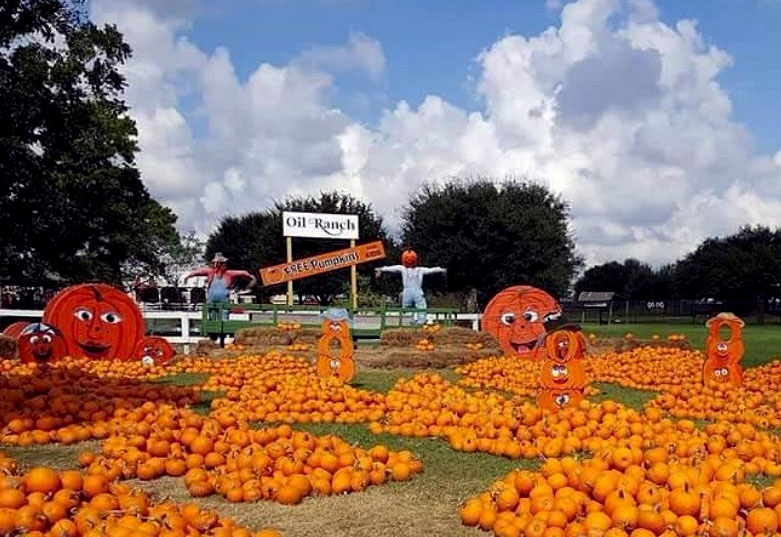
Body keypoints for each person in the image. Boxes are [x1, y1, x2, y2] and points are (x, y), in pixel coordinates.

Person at [375, 249, 446, 325]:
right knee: (421, 307)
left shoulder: (402, 268)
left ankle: (407, 323)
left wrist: (381, 269)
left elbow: (391, 268)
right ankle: (420, 323)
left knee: (406, 309)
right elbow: (431, 270)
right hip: (418, 292)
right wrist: (441, 269)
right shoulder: (420, 270)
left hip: (407, 292)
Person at [184, 253, 256, 321]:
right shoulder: (210, 272)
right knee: (212, 318)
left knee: (224, 318)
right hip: (212, 300)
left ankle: (223, 333)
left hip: (224, 300)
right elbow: (198, 272)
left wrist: (250, 277)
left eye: (221, 263)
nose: (219, 265)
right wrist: (188, 276)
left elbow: (243, 272)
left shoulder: (229, 273)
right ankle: (214, 333)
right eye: (218, 263)